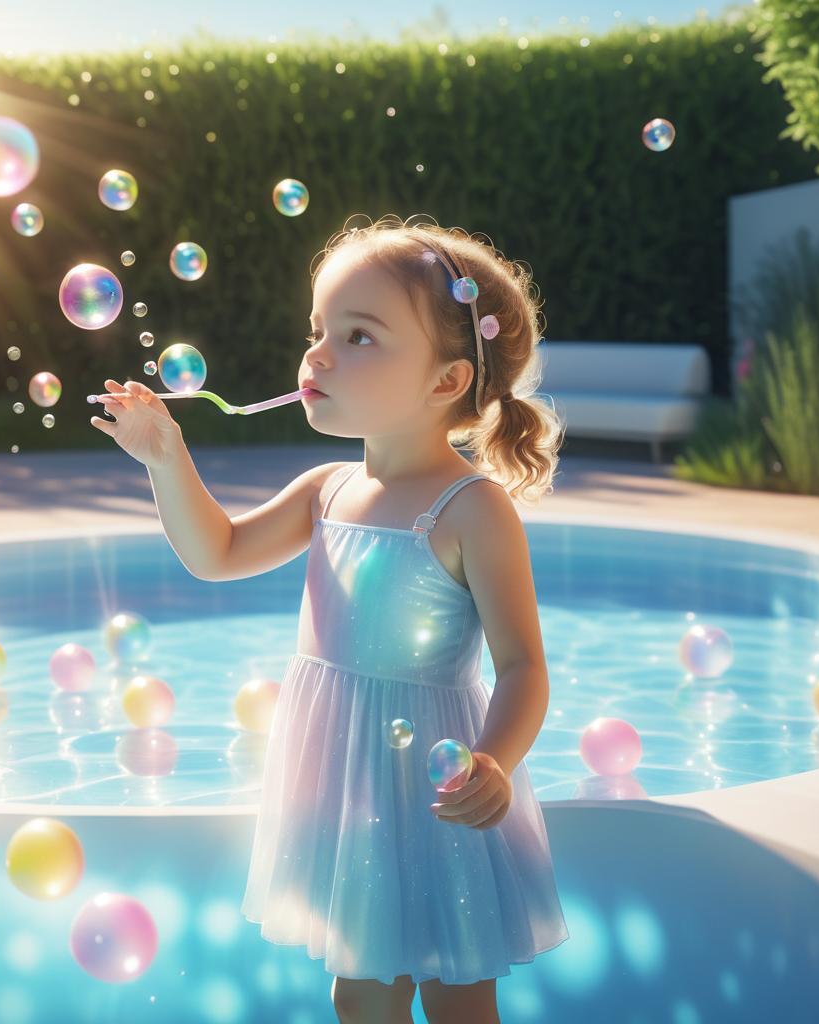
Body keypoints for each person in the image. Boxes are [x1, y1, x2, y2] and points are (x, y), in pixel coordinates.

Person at [90, 213, 570, 1024]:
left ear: (446, 382)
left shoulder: (472, 511)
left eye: (358, 336)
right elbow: (218, 553)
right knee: (360, 989)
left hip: (439, 780)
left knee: (460, 991)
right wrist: (166, 457)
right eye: (319, 330)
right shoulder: (327, 489)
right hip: (345, 778)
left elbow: (523, 665)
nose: (318, 354)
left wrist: (493, 760)